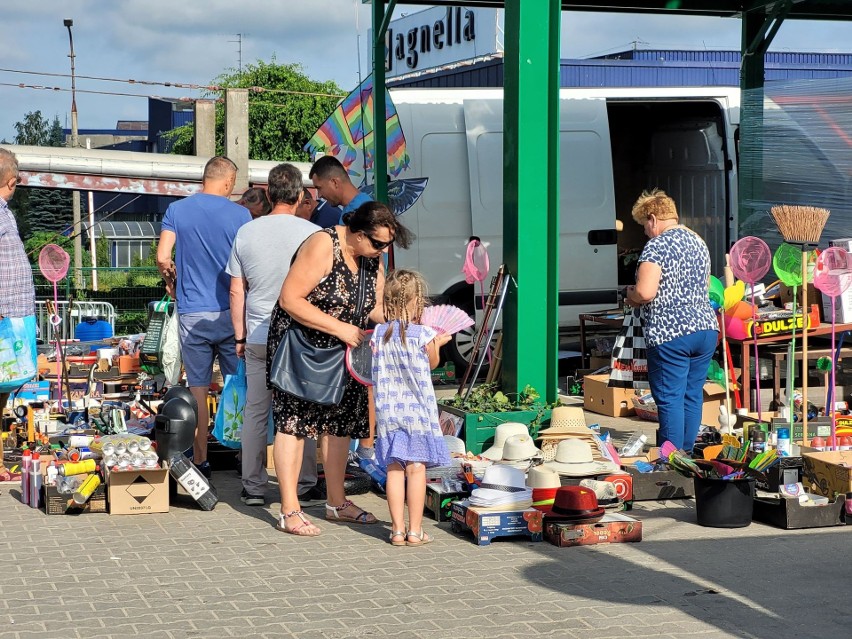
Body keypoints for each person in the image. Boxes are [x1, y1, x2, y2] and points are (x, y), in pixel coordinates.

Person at [266, 201, 413, 536]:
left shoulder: (370, 259)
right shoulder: (323, 244)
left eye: (387, 245)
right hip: (302, 348)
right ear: (357, 233)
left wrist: (398, 323)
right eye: (377, 243)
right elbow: (290, 298)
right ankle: (289, 510)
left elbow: (373, 307)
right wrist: (340, 328)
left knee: (341, 422)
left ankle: (336, 502)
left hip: (344, 350)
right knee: (294, 422)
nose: (382, 251)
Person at [228, 164, 321, 506]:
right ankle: (305, 483)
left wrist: (239, 335)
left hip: (257, 335)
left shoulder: (246, 233)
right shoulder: (314, 234)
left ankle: (253, 486)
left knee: (255, 410)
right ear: (300, 196)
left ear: (268, 194)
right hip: (301, 336)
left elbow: (237, 291)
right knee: (303, 410)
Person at [157, 156, 251, 478]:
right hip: (231, 312)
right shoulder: (241, 215)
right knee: (238, 385)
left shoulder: (177, 211)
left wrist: (172, 282)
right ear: (227, 182)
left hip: (192, 312)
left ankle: (200, 460)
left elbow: (162, 256)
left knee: (197, 388)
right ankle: (244, 457)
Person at [623, 189, 718, 452]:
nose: (645, 232)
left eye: (644, 225)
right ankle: (686, 455)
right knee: (692, 395)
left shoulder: (657, 245)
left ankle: (671, 459)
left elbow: (645, 292)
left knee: (669, 399)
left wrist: (630, 295)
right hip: (705, 328)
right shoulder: (698, 241)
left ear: (652, 218)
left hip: (670, 332)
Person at [372, 270, 452, 546]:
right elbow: (431, 363)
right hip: (418, 412)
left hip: (389, 412)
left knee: (394, 468)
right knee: (417, 469)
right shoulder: (424, 334)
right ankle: (415, 531)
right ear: (418, 302)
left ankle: (396, 530)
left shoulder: (379, 334)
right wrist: (438, 345)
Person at [0, 149, 34, 481]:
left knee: (2, 392)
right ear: (11, 181)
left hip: (11, 318)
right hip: (3, 318)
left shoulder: (4, 212)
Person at [309, 156, 372, 225]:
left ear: (334, 183)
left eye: (319, 188)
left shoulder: (363, 212)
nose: (320, 195)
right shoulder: (353, 208)